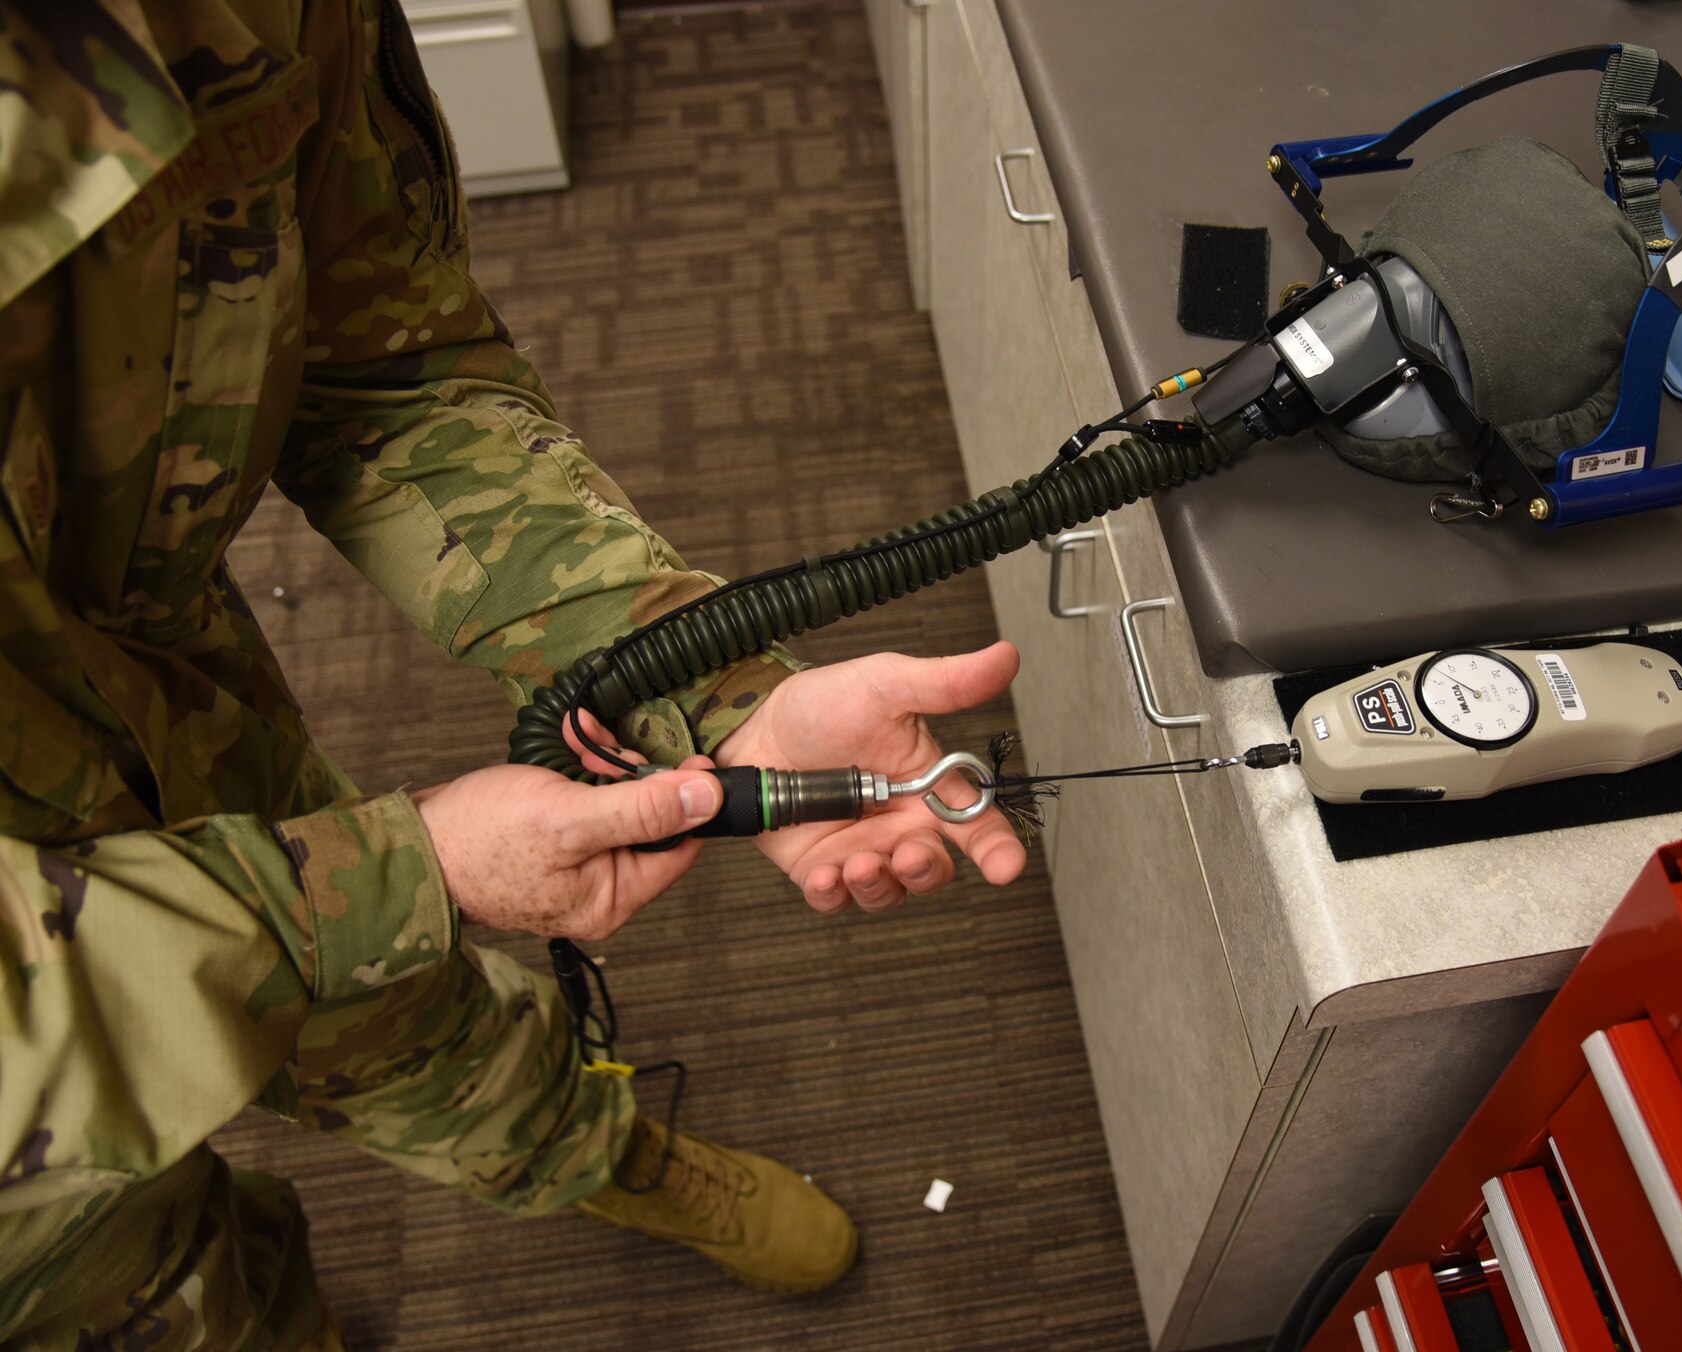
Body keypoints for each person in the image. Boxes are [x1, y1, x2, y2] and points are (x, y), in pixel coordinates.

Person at [0, 1, 1027, 1345]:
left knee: (402, 1008)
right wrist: (388, 880)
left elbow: (382, 363)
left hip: (159, 706)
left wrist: (711, 692)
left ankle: (587, 1150)